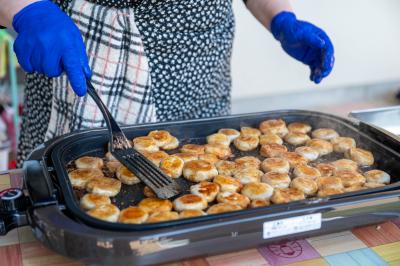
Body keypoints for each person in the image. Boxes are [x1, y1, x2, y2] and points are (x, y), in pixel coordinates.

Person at [0, 0, 334, 165]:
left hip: (195, 60)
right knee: (72, 172)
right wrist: (28, 10)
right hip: (80, 45)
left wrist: (281, 17)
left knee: (200, 165)